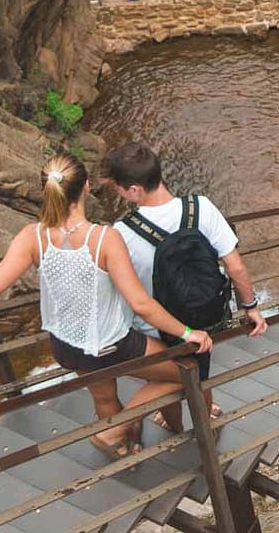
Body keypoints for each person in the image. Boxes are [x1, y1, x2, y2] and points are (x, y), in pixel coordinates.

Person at [0, 155, 213, 458]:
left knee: (104, 396)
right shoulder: (104, 239)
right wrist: (187, 332)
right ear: (86, 186)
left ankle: (123, 447)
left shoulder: (31, 237)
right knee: (187, 372)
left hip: (66, 345)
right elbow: (141, 303)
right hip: (111, 345)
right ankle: (113, 433)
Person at [104, 142, 267, 431]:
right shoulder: (200, 207)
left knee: (165, 378)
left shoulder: (122, 233)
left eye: (118, 188)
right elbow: (236, 266)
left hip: (160, 326)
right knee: (200, 374)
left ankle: (174, 426)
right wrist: (251, 307)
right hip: (206, 314)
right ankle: (204, 424)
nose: (117, 193)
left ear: (133, 190)